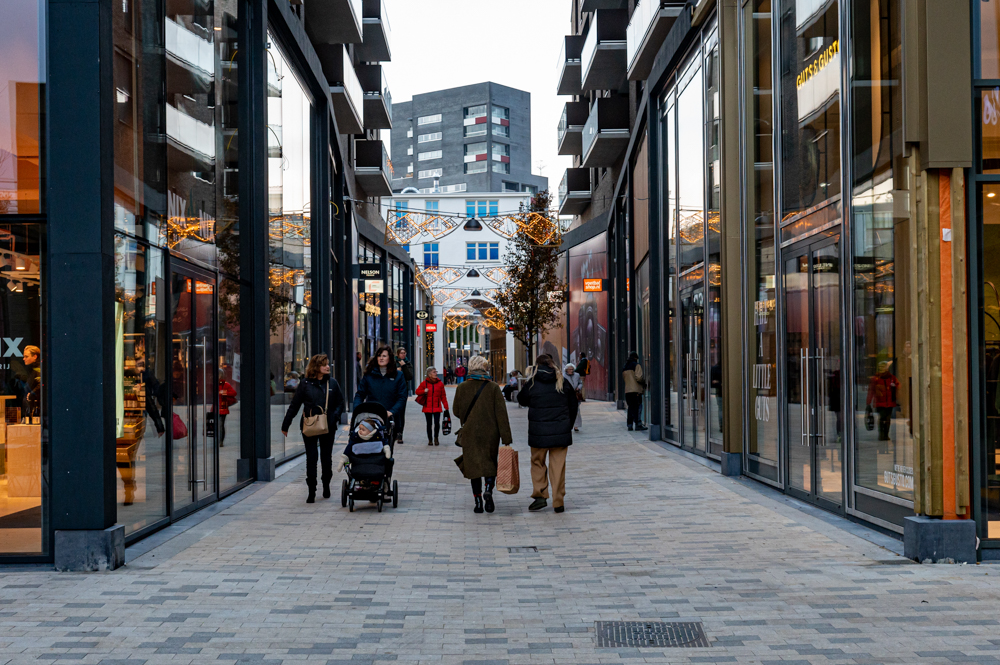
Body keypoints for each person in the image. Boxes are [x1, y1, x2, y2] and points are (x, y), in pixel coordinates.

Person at [281, 353, 345, 503]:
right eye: (324, 364)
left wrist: (334, 417)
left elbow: (340, 403)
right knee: (311, 458)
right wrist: (286, 424)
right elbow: (295, 405)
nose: (328, 366)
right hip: (309, 425)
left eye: (328, 364)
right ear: (316, 367)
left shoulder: (332, 383)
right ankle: (311, 490)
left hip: (328, 426)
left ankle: (326, 485)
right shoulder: (305, 384)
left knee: (326, 457)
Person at [518, 354, 578, 513]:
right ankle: (558, 501)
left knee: (537, 463)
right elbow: (573, 405)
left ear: (537, 365)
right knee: (558, 467)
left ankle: (540, 495)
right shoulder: (562, 381)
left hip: (538, 433)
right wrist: (568, 425)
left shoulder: (532, 383)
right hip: (560, 433)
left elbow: (521, 399)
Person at [454, 355, 513, 514]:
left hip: (470, 433)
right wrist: (506, 438)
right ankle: (488, 488)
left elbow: (456, 411)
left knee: (473, 467)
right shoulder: (493, 387)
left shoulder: (462, 387)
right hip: (490, 433)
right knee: (489, 464)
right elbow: (502, 414)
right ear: (484, 368)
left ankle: (478, 500)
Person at [353, 346, 408, 442]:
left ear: (390, 358)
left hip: (390, 418)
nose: (381, 358)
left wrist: (392, 411)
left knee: (387, 450)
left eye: (384, 356)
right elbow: (360, 394)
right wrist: (357, 410)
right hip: (371, 418)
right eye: (379, 356)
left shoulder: (398, 376)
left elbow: (402, 397)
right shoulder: (369, 375)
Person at [867, 361, 900, 442]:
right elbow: (871, 391)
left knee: (887, 419)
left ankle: (886, 435)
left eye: (883, 366)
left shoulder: (892, 378)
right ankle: (882, 434)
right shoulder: (875, 379)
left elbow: (898, 385)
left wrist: (894, 387)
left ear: (887, 368)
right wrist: (868, 402)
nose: (882, 368)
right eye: (880, 366)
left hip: (889, 402)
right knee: (882, 419)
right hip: (879, 402)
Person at [416, 367, 449, 445]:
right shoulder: (424, 383)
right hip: (427, 407)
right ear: (429, 374)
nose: (436, 373)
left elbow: (443, 396)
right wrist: (424, 391)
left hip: (437, 407)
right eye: (434, 372)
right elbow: (417, 391)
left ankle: (436, 438)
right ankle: (430, 440)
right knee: (429, 424)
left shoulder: (440, 383)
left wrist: (446, 406)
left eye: (436, 372)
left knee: (437, 423)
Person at [623, 351, 647, 431]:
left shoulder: (625, 367)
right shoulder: (637, 365)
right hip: (636, 390)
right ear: (636, 358)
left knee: (630, 408)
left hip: (627, 390)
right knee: (638, 407)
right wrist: (644, 382)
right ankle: (638, 424)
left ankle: (629, 425)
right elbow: (638, 377)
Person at [395, 348, 414, 443]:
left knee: (401, 412)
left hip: (403, 390)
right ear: (397, 354)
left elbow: (410, 376)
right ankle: (394, 431)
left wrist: (404, 367)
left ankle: (400, 433)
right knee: (394, 412)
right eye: (401, 353)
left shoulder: (408, 363)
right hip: (393, 390)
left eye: (404, 353)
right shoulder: (393, 362)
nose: (403, 355)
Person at [218, 368, 238, 447]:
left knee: (221, 424)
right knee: (217, 424)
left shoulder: (226, 385)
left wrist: (225, 392)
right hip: (217, 407)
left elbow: (234, 393)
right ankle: (219, 440)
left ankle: (220, 441)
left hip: (223, 407)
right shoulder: (214, 384)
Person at [563, 363, 583, 433]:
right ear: (566, 370)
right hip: (567, 395)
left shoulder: (577, 375)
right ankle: (569, 425)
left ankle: (576, 425)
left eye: (572, 369)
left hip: (575, 394)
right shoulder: (563, 376)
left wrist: (578, 387)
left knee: (577, 410)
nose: (571, 370)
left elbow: (580, 383)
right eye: (570, 369)